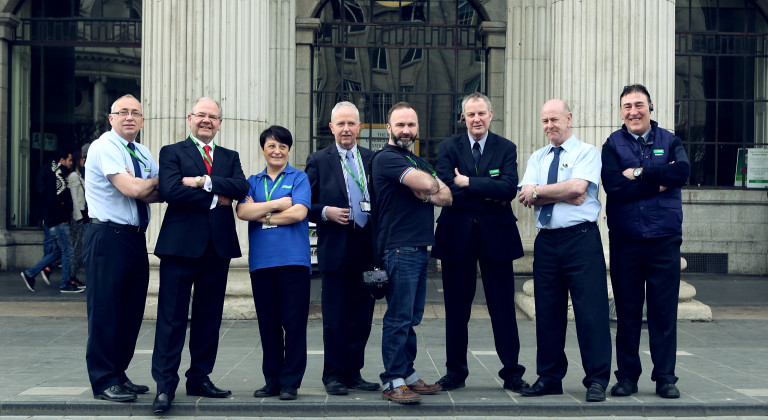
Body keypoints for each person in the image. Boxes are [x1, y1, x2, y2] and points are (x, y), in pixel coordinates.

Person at [151, 97, 249, 414]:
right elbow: (170, 190)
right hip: (179, 249)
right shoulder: (172, 152)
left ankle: (199, 378)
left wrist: (202, 182)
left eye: (212, 116)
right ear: (190, 118)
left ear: (220, 123)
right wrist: (216, 197)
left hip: (217, 249)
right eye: (201, 115)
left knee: (209, 318)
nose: (206, 120)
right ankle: (165, 386)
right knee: (171, 318)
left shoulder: (230, 156)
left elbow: (241, 187)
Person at [432, 92, 529, 393]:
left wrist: (468, 182)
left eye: (481, 114)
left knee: (503, 308)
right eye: (471, 114)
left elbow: (508, 189)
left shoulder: (506, 147)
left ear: (491, 115)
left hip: (496, 237)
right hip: (456, 236)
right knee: (456, 310)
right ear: (463, 117)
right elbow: (446, 189)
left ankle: (512, 373)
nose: (476, 119)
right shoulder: (448, 147)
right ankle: (455, 373)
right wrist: (488, 190)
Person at [517, 99, 612, 402]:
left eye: (554, 120)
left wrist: (542, 191)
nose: (549, 126)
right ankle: (549, 377)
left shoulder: (587, 152)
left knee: (591, 313)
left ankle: (596, 379)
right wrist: (561, 192)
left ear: (568, 119)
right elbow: (525, 196)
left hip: (580, 240)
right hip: (546, 241)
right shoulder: (537, 157)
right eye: (545, 121)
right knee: (547, 313)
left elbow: (578, 190)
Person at [601, 84, 690, 399]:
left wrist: (637, 173)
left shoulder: (670, 140)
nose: (633, 111)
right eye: (627, 106)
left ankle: (665, 377)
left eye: (639, 104)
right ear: (621, 111)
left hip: (664, 239)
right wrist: (659, 180)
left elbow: (681, 173)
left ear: (651, 107)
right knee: (627, 313)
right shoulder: (612, 144)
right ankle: (627, 377)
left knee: (663, 313)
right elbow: (614, 186)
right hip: (626, 241)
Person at [370, 102, 452, 404]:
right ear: (388, 128)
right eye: (400, 124)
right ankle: (392, 380)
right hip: (398, 248)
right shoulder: (386, 158)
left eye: (411, 125)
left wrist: (427, 192)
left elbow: (447, 196)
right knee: (398, 317)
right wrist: (429, 186)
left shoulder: (415, 160)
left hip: (418, 248)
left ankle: (408, 373)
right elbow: (431, 184)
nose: (406, 130)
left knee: (411, 317)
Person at [83, 94, 161, 402]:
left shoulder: (142, 152)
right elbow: (132, 188)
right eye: (123, 112)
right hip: (107, 236)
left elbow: (157, 193)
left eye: (135, 113)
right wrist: (144, 185)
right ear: (111, 118)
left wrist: (145, 186)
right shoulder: (104, 146)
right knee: (106, 310)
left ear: (142, 120)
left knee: (131, 310)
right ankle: (103, 380)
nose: (129, 117)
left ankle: (118, 372)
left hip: (134, 237)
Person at [305, 101, 380, 396]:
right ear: (331, 127)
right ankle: (333, 374)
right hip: (336, 246)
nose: (346, 129)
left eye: (351, 123)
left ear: (359, 127)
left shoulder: (372, 159)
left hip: (367, 247)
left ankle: (353, 372)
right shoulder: (318, 160)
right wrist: (325, 212)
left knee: (362, 314)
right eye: (341, 124)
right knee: (335, 315)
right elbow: (305, 204)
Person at [237, 125, 312, 401]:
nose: (277, 151)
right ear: (263, 150)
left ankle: (290, 382)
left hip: (294, 261)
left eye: (282, 146)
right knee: (268, 325)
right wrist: (278, 203)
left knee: (294, 324)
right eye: (271, 146)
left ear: (289, 150)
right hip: (262, 263)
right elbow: (242, 211)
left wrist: (261, 214)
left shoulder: (299, 177)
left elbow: (298, 213)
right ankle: (272, 380)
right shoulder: (253, 181)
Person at [21, 149, 81, 293]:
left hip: (55, 221)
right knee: (68, 252)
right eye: (69, 160)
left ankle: (30, 273)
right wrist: (63, 218)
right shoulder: (56, 177)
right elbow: (55, 201)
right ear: (62, 160)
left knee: (59, 252)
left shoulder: (57, 175)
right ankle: (65, 284)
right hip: (59, 223)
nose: (71, 163)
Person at [68, 149, 87, 288]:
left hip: (80, 214)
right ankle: (71, 277)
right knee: (76, 248)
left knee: (78, 247)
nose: (83, 160)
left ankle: (73, 276)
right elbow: (74, 198)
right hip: (77, 215)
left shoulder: (78, 175)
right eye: (81, 158)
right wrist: (78, 216)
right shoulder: (74, 176)